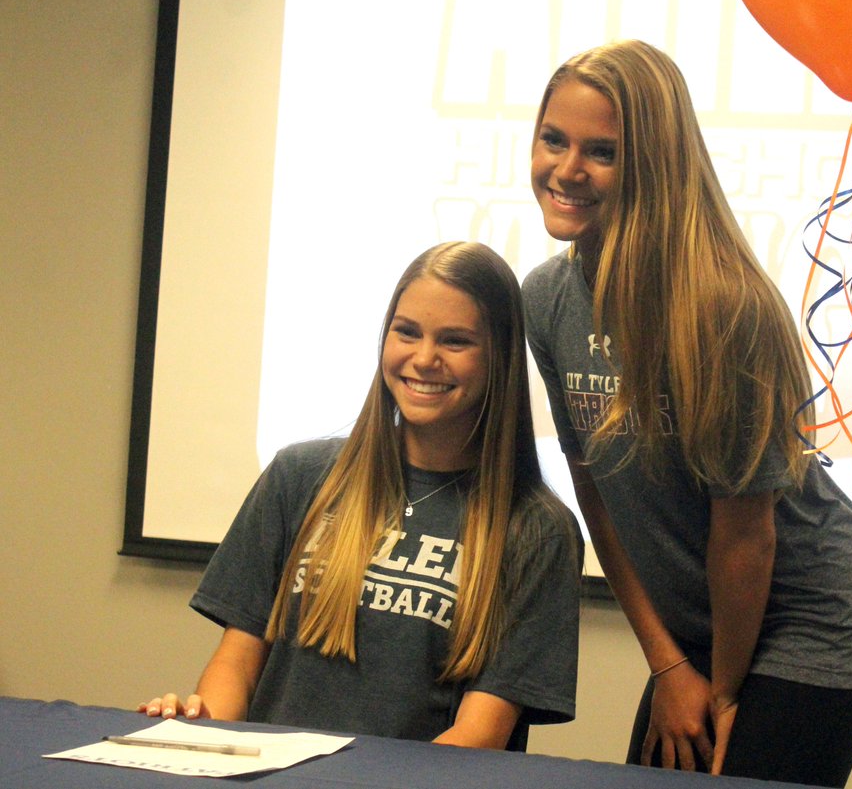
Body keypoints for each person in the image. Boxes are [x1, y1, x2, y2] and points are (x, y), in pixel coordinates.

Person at [522, 40, 852, 787]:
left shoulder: (722, 309)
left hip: (817, 618)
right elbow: (597, 492)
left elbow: (747, 537)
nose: (568, 170)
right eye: (554, 140)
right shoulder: (547, 298)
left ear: (654, 161)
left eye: (602, 151)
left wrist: (724, 691)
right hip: (704, 628)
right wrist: (668, 663)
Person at [140, 241, 582, 751]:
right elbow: (237, 663)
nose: (424, 358)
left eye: (455, 341)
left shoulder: (537, 531)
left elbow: (478, 737)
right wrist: (200, 729)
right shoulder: (298, 476)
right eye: (407, 332)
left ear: (499, 360)